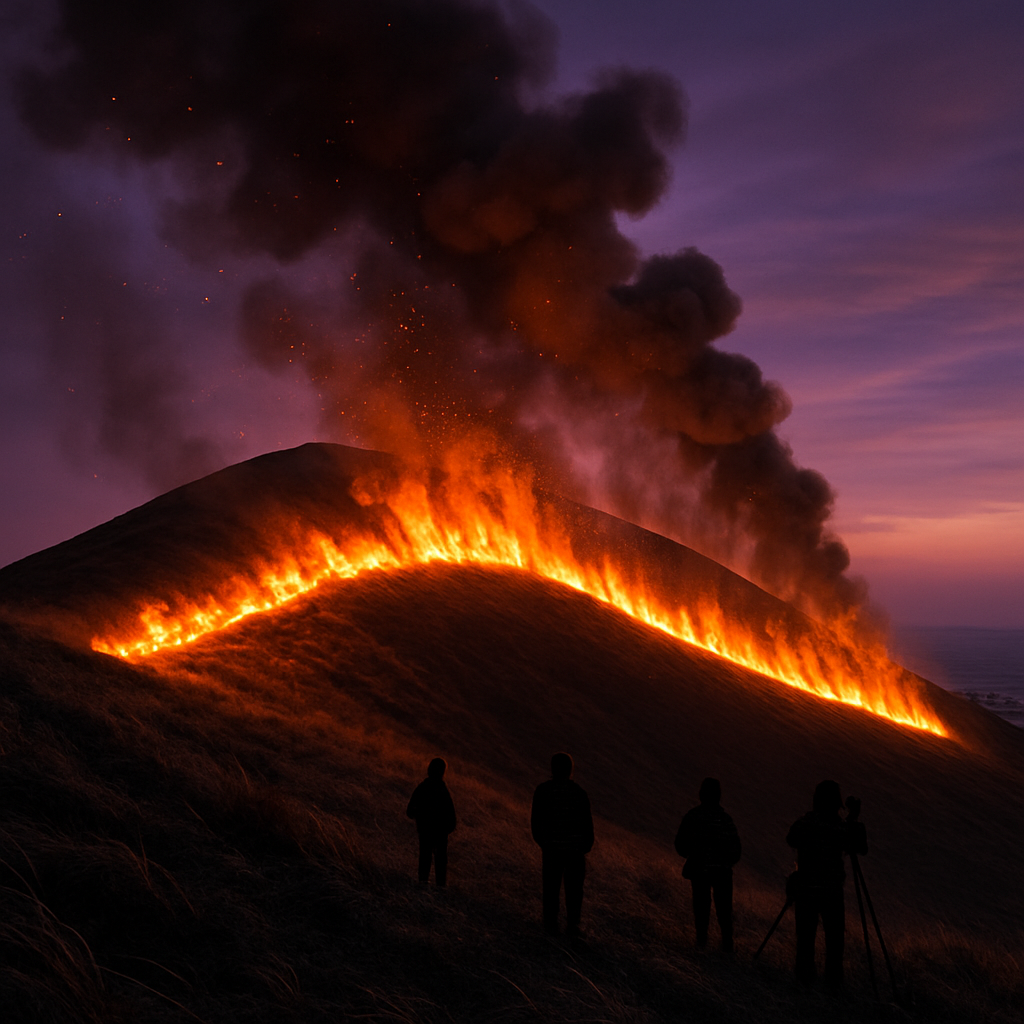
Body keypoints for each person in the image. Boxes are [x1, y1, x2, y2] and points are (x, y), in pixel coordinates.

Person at [786, 779, 868, 990]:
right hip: (832, 893)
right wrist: (853, 819)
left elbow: (791, 838)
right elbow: (860, 847)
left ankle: (804, 984)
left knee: (805, 940)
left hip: (806, 890)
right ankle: (833, 987)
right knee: (835, 943)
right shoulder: (840, 828)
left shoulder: (805, 823)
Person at [674, 777, 742, 952]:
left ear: (701, 794)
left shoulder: (693, 816)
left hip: (699, 870)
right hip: (723, 873)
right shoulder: (725, 820)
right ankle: (727, 948)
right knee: (724, 912)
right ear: (719, 795)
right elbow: (736, 850)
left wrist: (693, 855)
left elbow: (680, 843)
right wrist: (725, 862)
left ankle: (701, 944)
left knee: (701, 910)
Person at [531, 752, 594, 937]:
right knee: (574, 892)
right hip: (575, 852)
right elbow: (587, 824)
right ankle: (572, 927)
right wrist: (584, 847)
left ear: (553, 768)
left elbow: (536, 822)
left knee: (551, 889)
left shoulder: (543, 791)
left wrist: (545, 843)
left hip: (552, 850)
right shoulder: (579, 793)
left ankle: (550, 927)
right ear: (570, 769)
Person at [406, 757, 457, 886]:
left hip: (425, 830)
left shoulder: (422, 787)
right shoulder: (442, 790)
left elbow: (410, 811)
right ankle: (440, 886)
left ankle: (423, 883)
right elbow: (451, 816)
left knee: (425, 856)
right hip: (440, 832)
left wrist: (420, 818)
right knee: (440, 859)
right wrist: (447, 828)